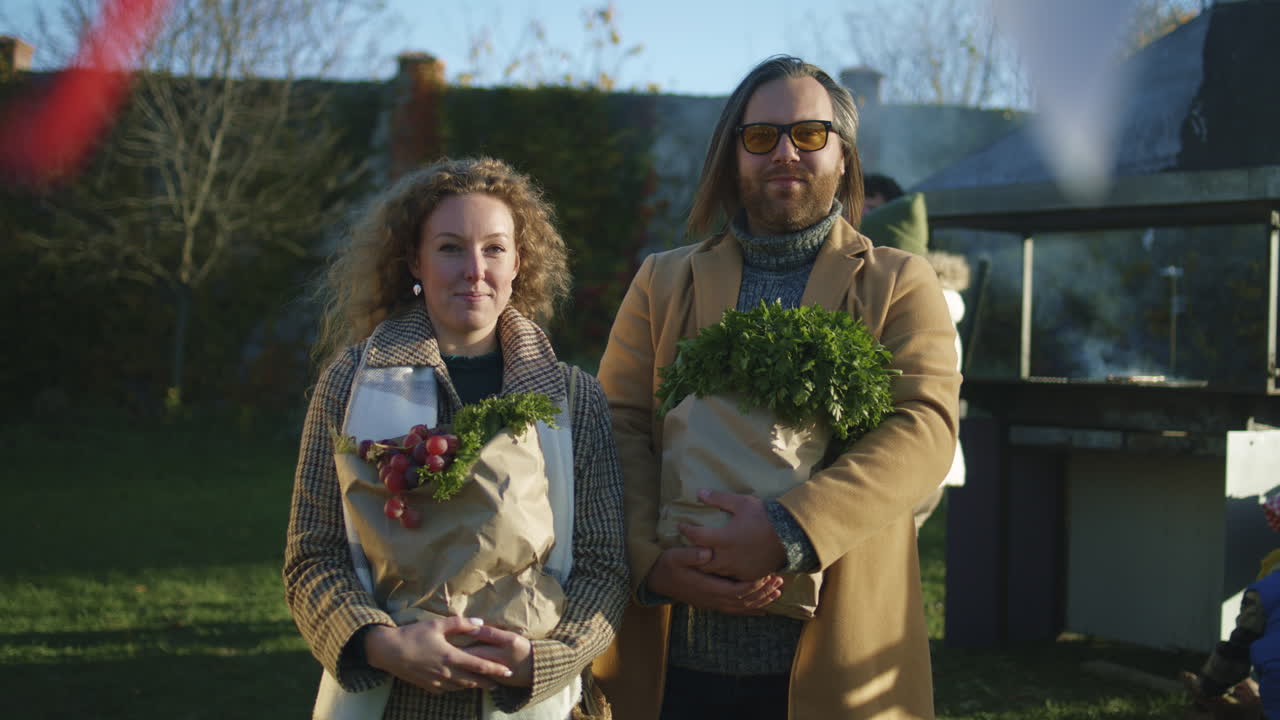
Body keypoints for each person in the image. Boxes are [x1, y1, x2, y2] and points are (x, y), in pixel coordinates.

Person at [594, 56, 960, 720]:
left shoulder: (900, 282)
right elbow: (616, 427)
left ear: (844, 157)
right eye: (760, 136)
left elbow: (925, 428)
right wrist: (653, 563)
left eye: (810, 135)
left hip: (832, 654)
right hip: (673, 662)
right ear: (733, 157)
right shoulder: (661, 281)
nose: (785, 152)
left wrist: (790, 529)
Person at [284, 156, 629, 720]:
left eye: (494, 248)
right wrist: (380, 644)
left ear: (520, 263)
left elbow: (604, 566)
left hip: (528, 701)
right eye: (450, 247)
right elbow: (312, 556)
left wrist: (543, 661)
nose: (475, 268)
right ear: (413, 261)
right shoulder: (350, 383)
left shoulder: (573, 398)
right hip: (388, 702)